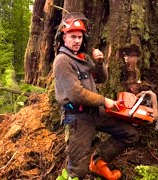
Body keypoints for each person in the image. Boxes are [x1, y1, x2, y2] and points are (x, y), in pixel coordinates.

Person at [53, 12, 139, 180]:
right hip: (78, 118)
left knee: (130, 134)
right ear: (64, 38)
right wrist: (104, 101)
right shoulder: (62, 61)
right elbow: (76, 94)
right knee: (77, 172)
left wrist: (99, 63)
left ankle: (98, 162)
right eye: (72, 37)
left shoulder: (83, 57)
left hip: (95, 112)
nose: (77, 40)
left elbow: (101, 78)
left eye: (79, 37)